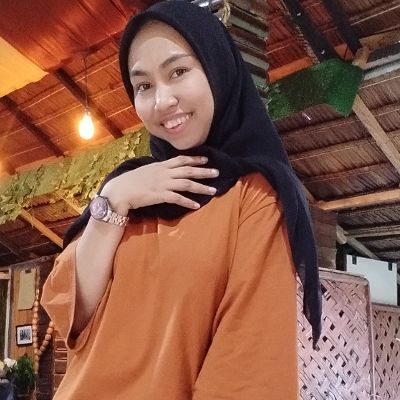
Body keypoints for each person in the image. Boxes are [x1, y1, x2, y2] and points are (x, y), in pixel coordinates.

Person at [41, 1, 322, 399]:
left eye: (178, 72)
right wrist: (113, 200)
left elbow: (246, 373)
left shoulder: (254, 197)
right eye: (144, 86)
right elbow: (70, 310)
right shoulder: (130, 186)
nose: (162, 101)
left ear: (217, 69)